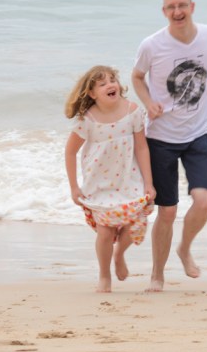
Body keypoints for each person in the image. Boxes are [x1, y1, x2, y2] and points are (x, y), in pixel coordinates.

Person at [132, 0, 207, 292]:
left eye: (182, 5)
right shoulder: (151, 45)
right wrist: (148, 103)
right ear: (164, 12)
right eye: (171, 7)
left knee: (204, 201)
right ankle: (157, 275)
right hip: (161, 136)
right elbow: (136, 76)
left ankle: (185, 248)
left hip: (199, 132)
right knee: (168, 211)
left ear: (192, 6)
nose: (177, 11)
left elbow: (206, 66)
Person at [65, 66, 156, 293]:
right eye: (103, 83)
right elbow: (69, 152)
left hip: (129, 178)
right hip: (100, 183)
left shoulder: (133, 111)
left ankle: (120, 254)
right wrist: (74, 186)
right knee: (105, 231)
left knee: (135, 223)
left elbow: (142, 148)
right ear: (92, 93)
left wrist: (148, 182)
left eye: (113, 80)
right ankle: (104, 276)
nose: (110, 85)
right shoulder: (87, 120)